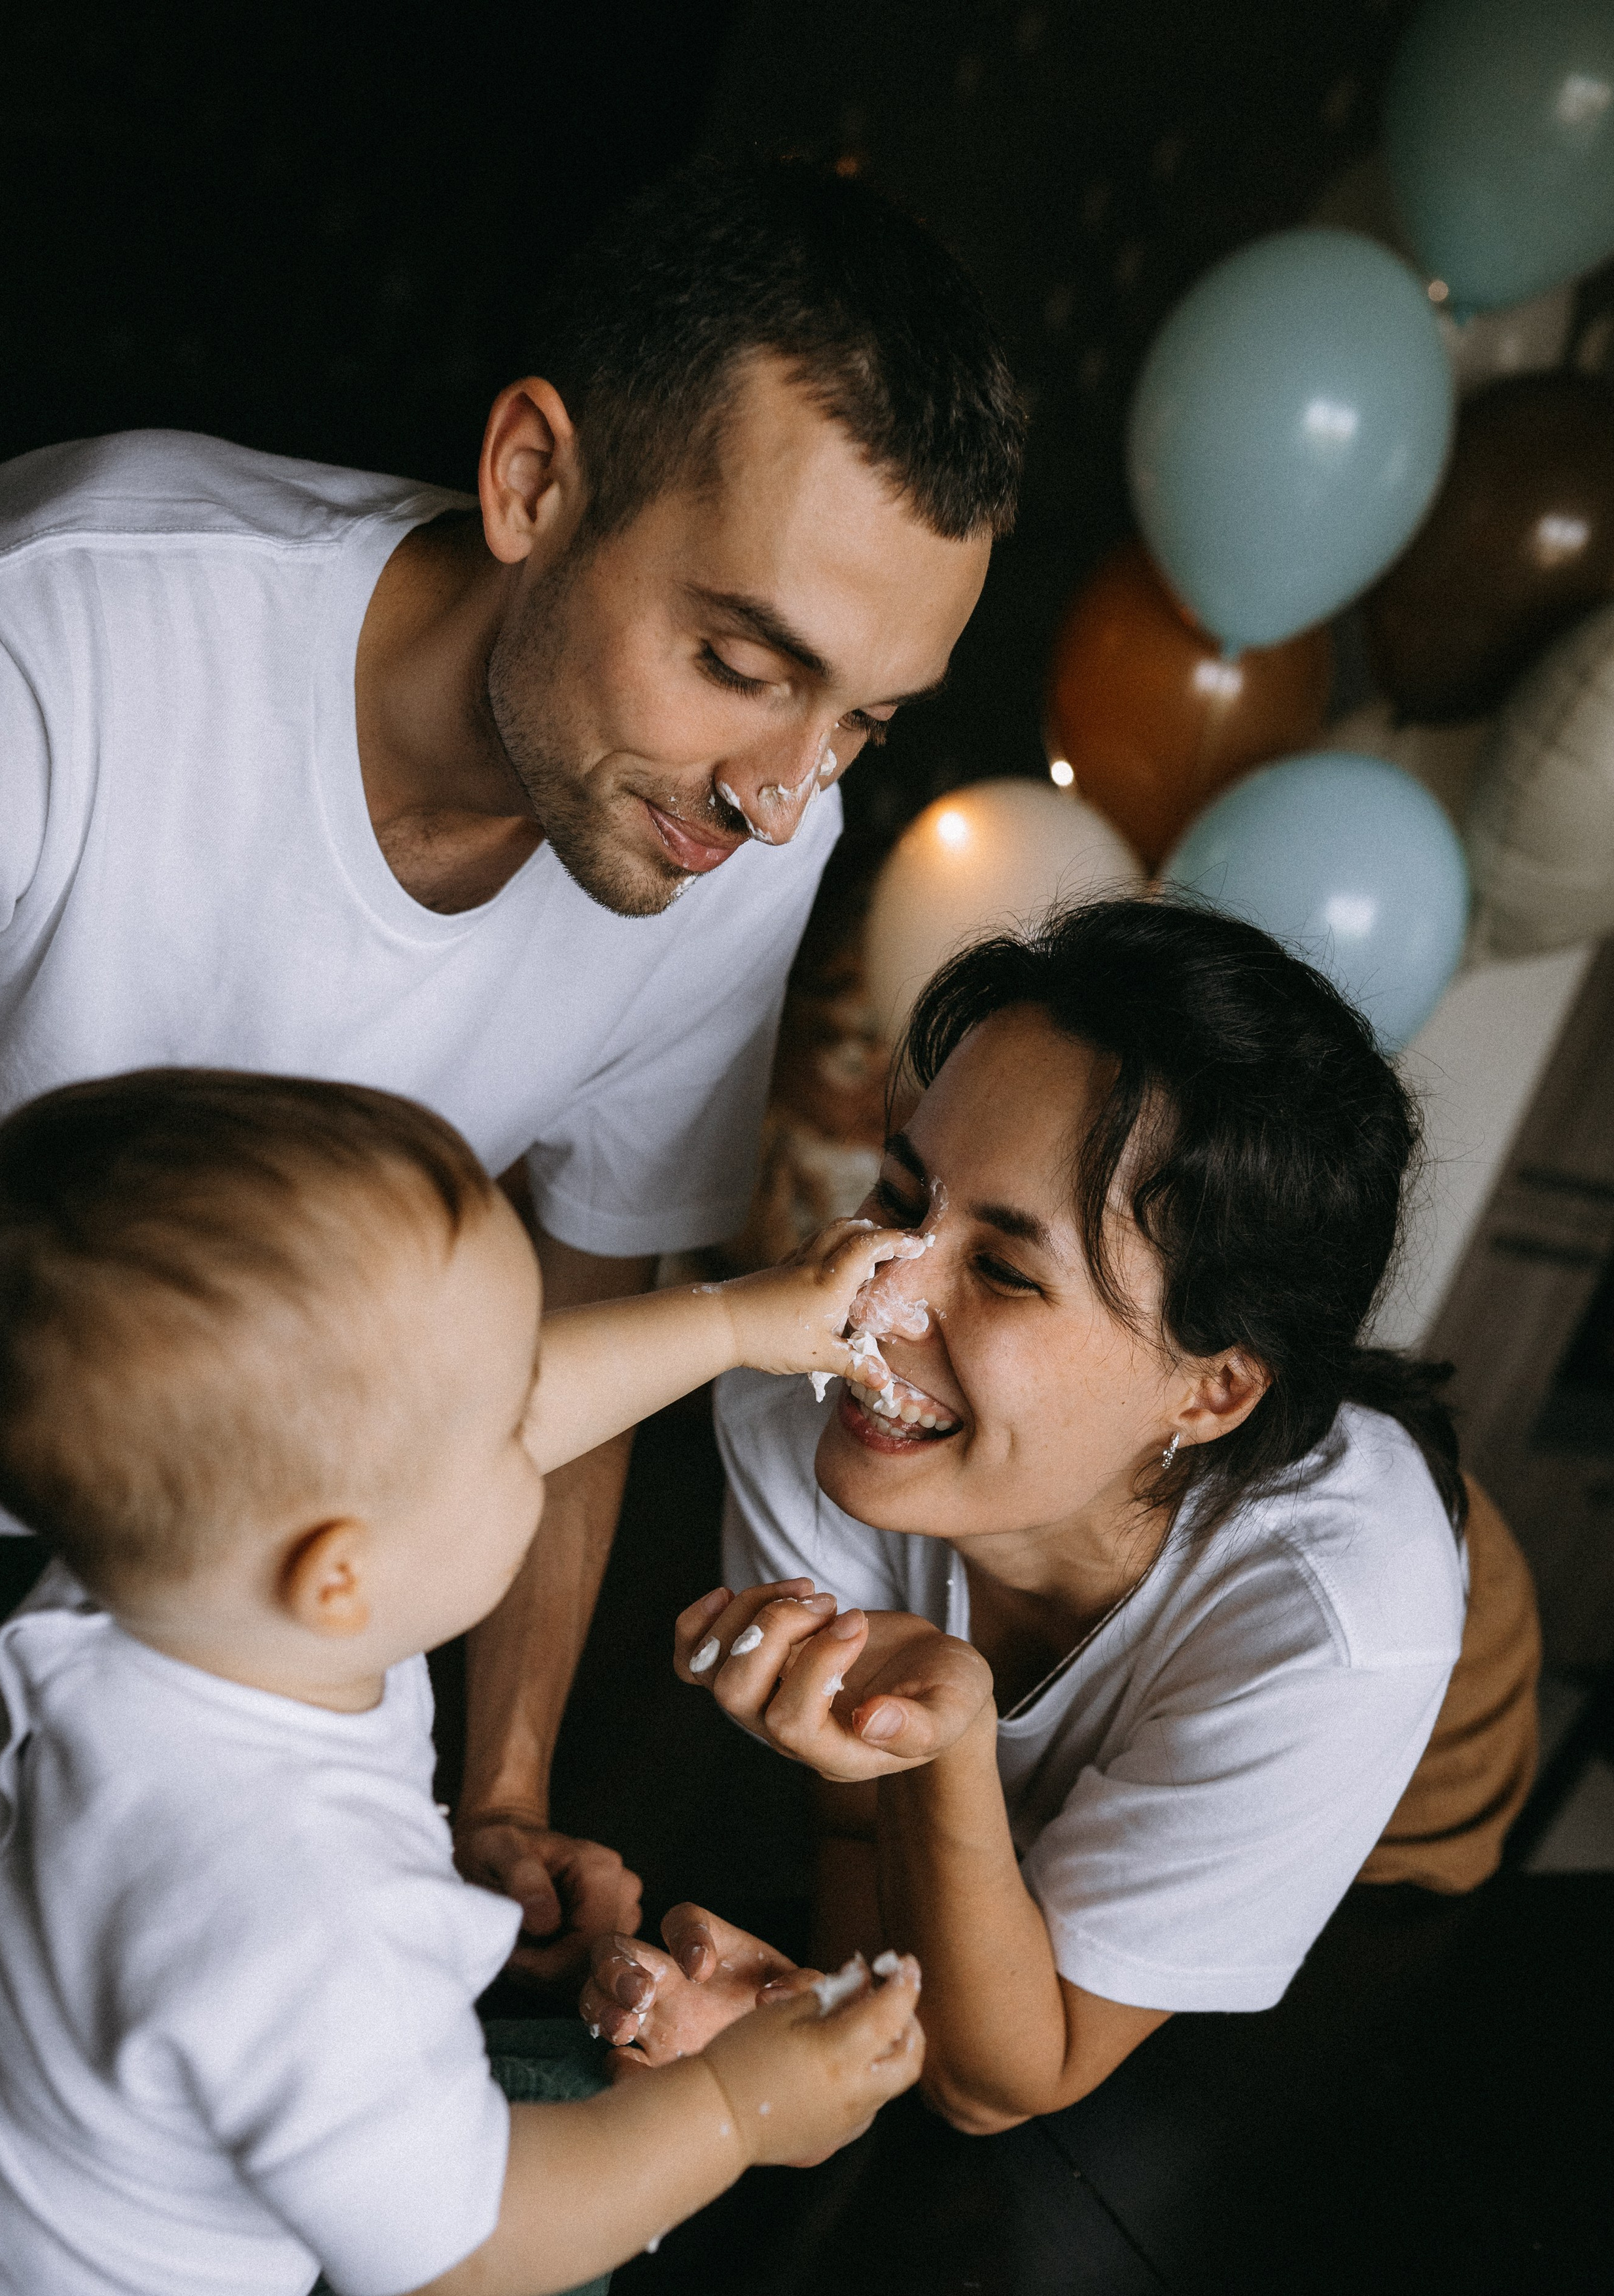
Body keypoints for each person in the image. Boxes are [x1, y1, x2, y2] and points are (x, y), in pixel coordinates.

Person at [0, 158, 1025, 1979]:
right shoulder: (50, 628)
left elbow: (586, 1297)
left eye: (861, 724)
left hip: (278, 1620)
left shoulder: (736, 843)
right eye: (740, 662)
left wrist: (496, 1800)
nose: (778, 800)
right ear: (533, 480)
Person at [0, 1067, 925, 2296]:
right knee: (545, 2290)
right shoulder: (298, 1905)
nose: (536, 1432)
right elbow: (454, 2246)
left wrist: (744, 1320)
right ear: (338, 1569)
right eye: (498, 1428)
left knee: (544, 2096)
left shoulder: (141, 1585)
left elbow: (496, 1414)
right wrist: (733, 2119)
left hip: (28, 2198)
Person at [580, 898, 1542, 2127]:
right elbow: (856, 1826)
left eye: (1001, 1269)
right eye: (900, 1194)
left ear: (1215, 1388)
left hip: (1412, 1763)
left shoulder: (1349, 1624)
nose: (872, 1301)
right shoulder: (804, 1401)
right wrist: (828, 2023)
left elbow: (1002, 2086)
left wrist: (954, 1743)